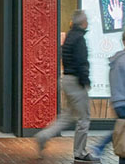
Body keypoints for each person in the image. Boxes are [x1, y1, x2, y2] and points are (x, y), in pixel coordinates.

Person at [36, 10, 97, 163]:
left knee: (67, 115)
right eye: (86, 20)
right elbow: (82, 62)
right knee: (84, 118)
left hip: (66, 79)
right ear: (82, 23)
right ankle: (80, 152)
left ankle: (44, 135)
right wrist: (86, 81)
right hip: (76, 82)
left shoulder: (70, 36)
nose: (88, 22)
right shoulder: (79, 38)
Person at [88, 29, 125, 164]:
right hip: (124, 102)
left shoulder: (116, 59)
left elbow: (113, 81)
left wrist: (113, 100)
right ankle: (100, 147)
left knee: (121, 132)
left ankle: (122, 159)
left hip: (117, 102)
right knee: (122, 132)